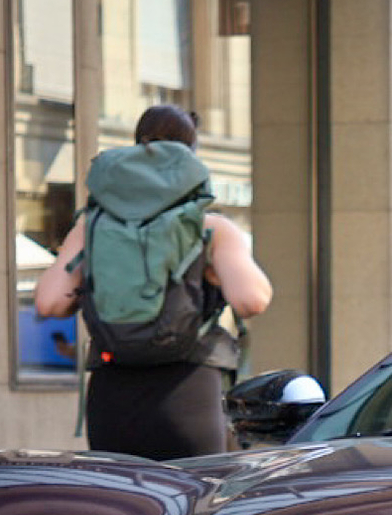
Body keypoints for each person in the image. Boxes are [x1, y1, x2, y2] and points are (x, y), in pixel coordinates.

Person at [34, 104, 271, 460]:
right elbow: (251, 300)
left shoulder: (92, 228)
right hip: (188, 396)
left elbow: (49, 302)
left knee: (122, 509)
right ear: (191, 157)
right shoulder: (209, 228)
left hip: (112, 399)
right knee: (198, 507)